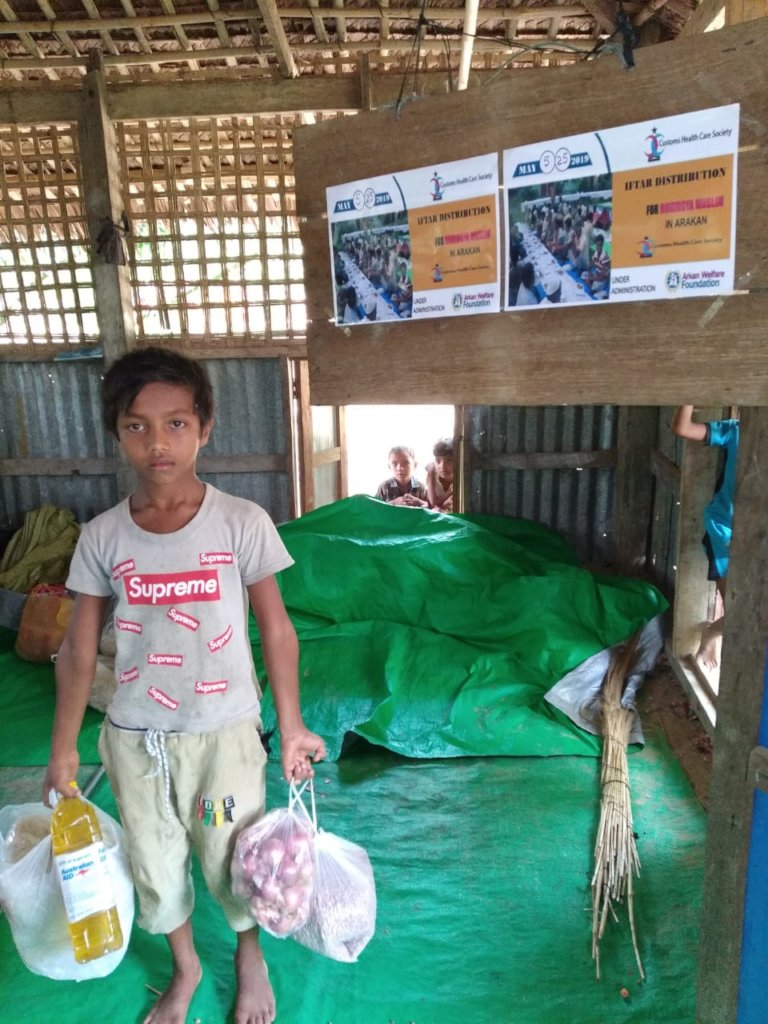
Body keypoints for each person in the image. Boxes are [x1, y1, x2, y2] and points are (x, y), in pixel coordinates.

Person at [43, 347, 326, 1024]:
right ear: (117, 434)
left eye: (175, 423)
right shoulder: (103, 537)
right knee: (155, 860)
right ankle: (187, 967)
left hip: (223, 735)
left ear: (205, 427)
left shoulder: (240, 523)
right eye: (137, 426)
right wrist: (62, 749)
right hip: (135, 738)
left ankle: (249, 954)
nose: (157, 442)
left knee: (233, 852)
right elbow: (78, 648)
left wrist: (290, 726)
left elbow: (277, 630)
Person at [671, 404, 740, 670]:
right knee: (738, 610)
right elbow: (682, 428)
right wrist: (690, 396)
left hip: (757, 538)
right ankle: (712, 632)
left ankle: (713, 631)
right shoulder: (736, 431)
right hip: (724, 531)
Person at [424, 437, 454, 512]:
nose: (442, 467)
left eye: (449, 460)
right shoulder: (433, 476)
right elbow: (433, 503)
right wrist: (430, 473)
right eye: (438, 460)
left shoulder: (460, 479)